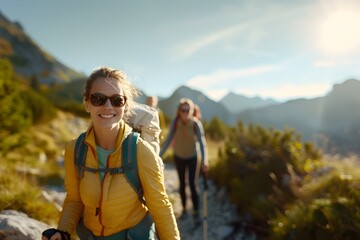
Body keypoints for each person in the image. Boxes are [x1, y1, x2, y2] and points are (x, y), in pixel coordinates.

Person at [42, 66, 180, 240]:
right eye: (98, 99)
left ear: (125, 106)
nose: (108, 106)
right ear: (87, 103)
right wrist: (62, 231)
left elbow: (160, 207)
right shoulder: (75, 150)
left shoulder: (140, 151)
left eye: (117, 100)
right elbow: (74, 200)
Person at [160, 98, 208, 224]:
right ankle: (185, 210)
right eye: (183, 110)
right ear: (179, 111)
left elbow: (202, 143)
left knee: (192, 184)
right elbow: (169, 139)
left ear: (192, 111)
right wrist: (158, 155)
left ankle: (196, 212)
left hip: (193, 157)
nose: (186, 112)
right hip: (179, 156)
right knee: (181, 183)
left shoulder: (196, 123)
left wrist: (205, 160)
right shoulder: (175, 123)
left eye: (188, 110)